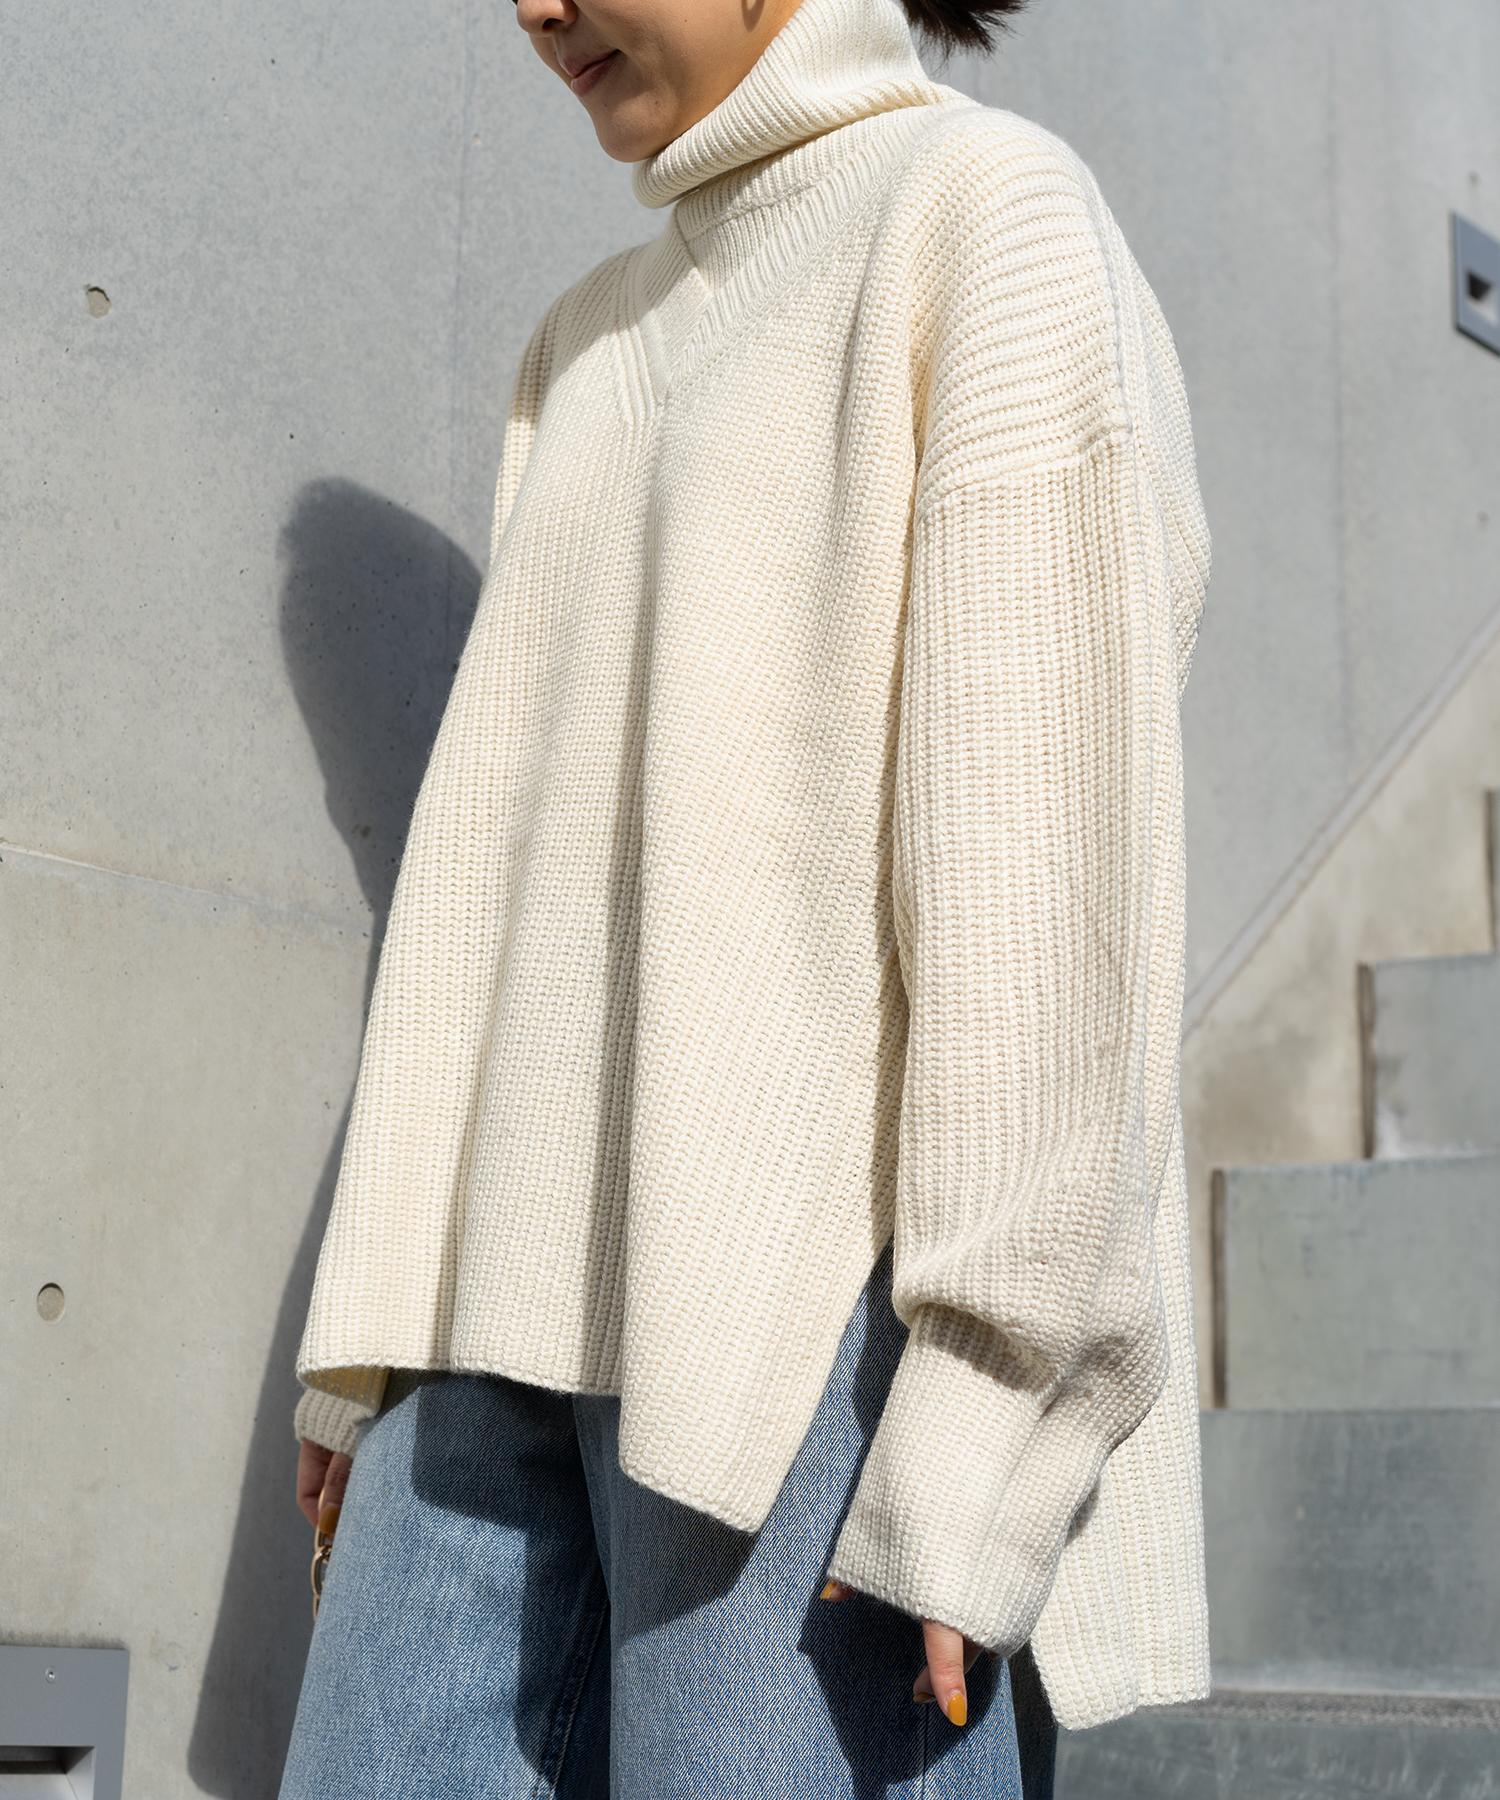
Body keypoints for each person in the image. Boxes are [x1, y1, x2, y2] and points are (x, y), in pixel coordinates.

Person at [278, 0, 1214, 1793]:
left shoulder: (980, 210)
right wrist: (366, 1340)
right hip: (486, 1318)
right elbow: (483, 880)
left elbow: (1047, 874)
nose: (535, 9)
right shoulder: (591, 336)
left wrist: (986, 1417)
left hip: (817, 1333)